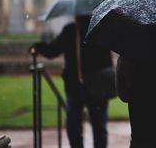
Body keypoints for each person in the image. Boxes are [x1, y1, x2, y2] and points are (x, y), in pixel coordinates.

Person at [30, 15, 113, 148]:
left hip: (85, 85)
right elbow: (53, 50)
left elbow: (52, 51)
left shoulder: (85, 30)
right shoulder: (76, 30)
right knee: (90, 126)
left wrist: (38, 47)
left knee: (83, 126)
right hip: (85, 86)